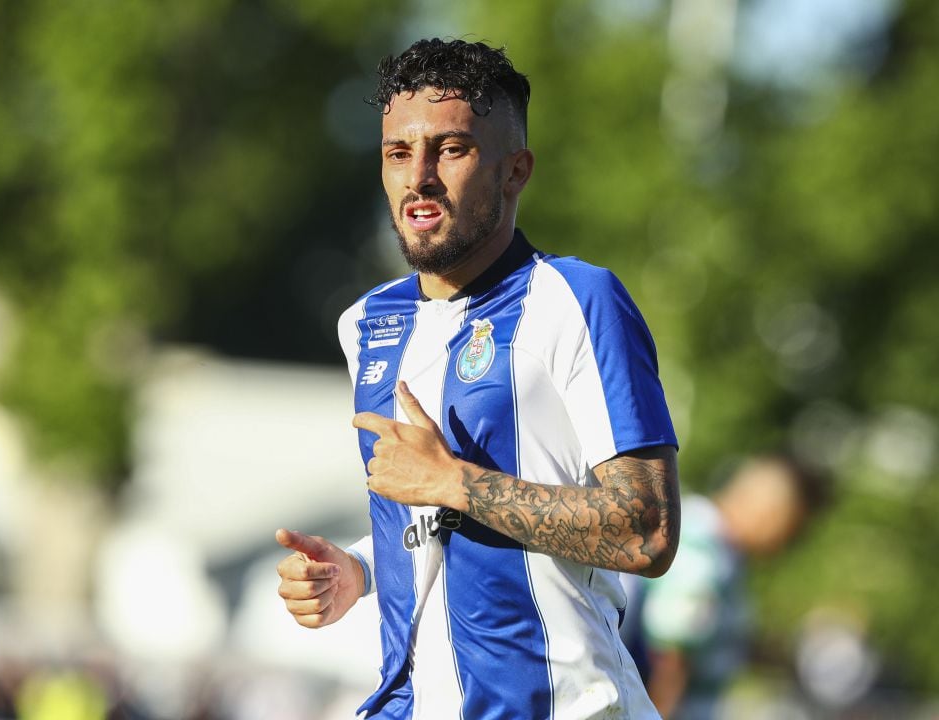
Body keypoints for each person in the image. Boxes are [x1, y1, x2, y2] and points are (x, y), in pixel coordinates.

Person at [275, 38, 680, 719]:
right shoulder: (368, 324)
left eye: (452, 149)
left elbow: (648, 532)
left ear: (514, 170)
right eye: (398, 153)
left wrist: (454, 482)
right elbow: (430, 519)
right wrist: (359, 571)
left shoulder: (578, 300)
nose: (419, 176)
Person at [622, 454, 830, 719]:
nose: (786, 545)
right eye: (792, 529)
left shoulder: (702, 536)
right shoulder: (705, 553)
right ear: (772, 513)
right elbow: (670, 654)